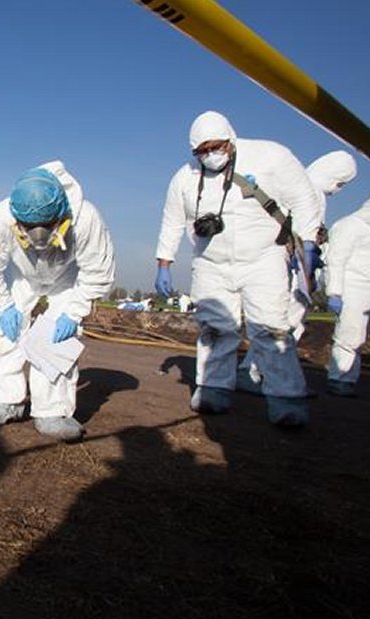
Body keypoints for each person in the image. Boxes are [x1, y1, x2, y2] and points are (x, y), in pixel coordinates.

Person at [153, 111, 320, 427]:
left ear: (230, 140)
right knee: (214, 328)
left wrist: (309, 241)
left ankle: (287, 398)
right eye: (201, 151)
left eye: (214, 147)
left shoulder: (270, 156)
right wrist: (164, 262)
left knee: (271, 328)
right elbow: (172, 220)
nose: (209, 155)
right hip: (210, 262)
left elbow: (303, 198)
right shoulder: (185, 177)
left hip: (263, 258)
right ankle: (214, 388)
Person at [0, 161, 116, 441]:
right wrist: (2, 307)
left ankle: (52, 410)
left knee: (56, 343)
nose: (39, 235)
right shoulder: (2, 218)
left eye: (46, 226)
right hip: (23, 276)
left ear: (60, 212)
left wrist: (74, 312)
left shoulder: (86, 219)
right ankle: (4, 399)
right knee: (7, 334)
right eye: (29, 227)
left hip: (67, 279)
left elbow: (97, 271)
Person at [237, 150, 358, 394]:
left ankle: (272, 377)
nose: (338, 189)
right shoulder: (309, 192)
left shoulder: (296, 185)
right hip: (293, 270)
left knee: (284, 325)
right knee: (284, 325)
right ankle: (255, 372)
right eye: (341, 183)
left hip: (291, 267)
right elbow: (304, 236)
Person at [323, 187, 370, 398]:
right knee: (350, 336)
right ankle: (341, 378)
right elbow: (335, 261)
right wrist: (335, 292)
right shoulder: (349, 226)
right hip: (356, 287)